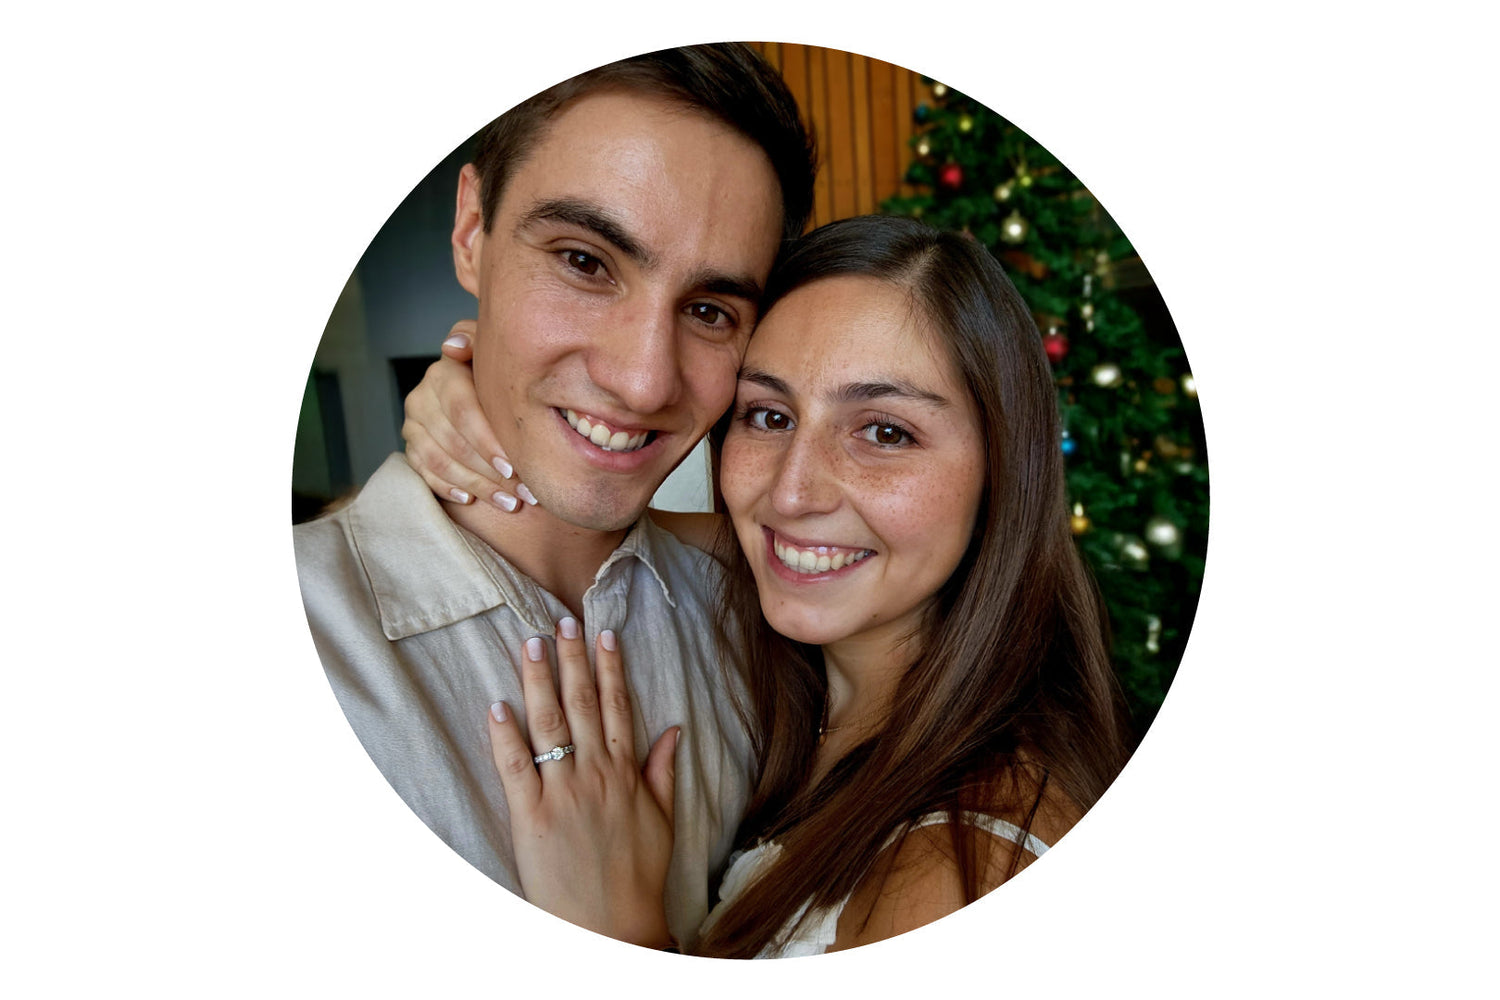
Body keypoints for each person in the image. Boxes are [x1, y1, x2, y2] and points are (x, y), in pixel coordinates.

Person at [405, 215, 1133, 956]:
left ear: (1004, 469)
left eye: (885, 432)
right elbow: (601, 513)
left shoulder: (969, 870)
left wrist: (617, 934)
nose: (791, 494)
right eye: (769, 415)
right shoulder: (818, 683)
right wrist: (489, 408)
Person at [293, 43, 816, 950]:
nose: (644, 381)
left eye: (709, 311)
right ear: (472, 231)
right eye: (584, 261)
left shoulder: (769, 614)